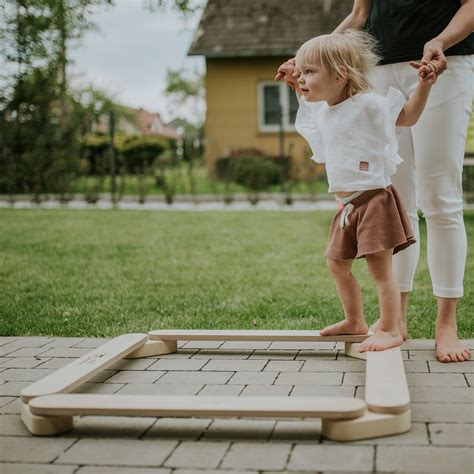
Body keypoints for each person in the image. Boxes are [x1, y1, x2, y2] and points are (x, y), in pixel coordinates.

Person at [276, 0, 474, 362]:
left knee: (440, 200)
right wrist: (310, 63)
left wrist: (440, 42)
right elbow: (358, 16)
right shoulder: (345, 96)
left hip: (439, 60)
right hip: (376, 66)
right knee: (398, 201)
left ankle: (446, 325)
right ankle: (391, 323)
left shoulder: (373, 103)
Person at [292, 30, 439, 352]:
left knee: (379, 268)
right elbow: (309, 112)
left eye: (309, 72)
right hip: (347, 207)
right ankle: (355, 320)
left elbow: (409, 117)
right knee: (336, 263)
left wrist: (424, 86)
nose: (302, 79)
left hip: (374, 200)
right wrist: (297, 81)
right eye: (301, 72)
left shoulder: (369, 104)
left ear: (340, 75)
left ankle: (389, 327)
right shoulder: (324, 110)